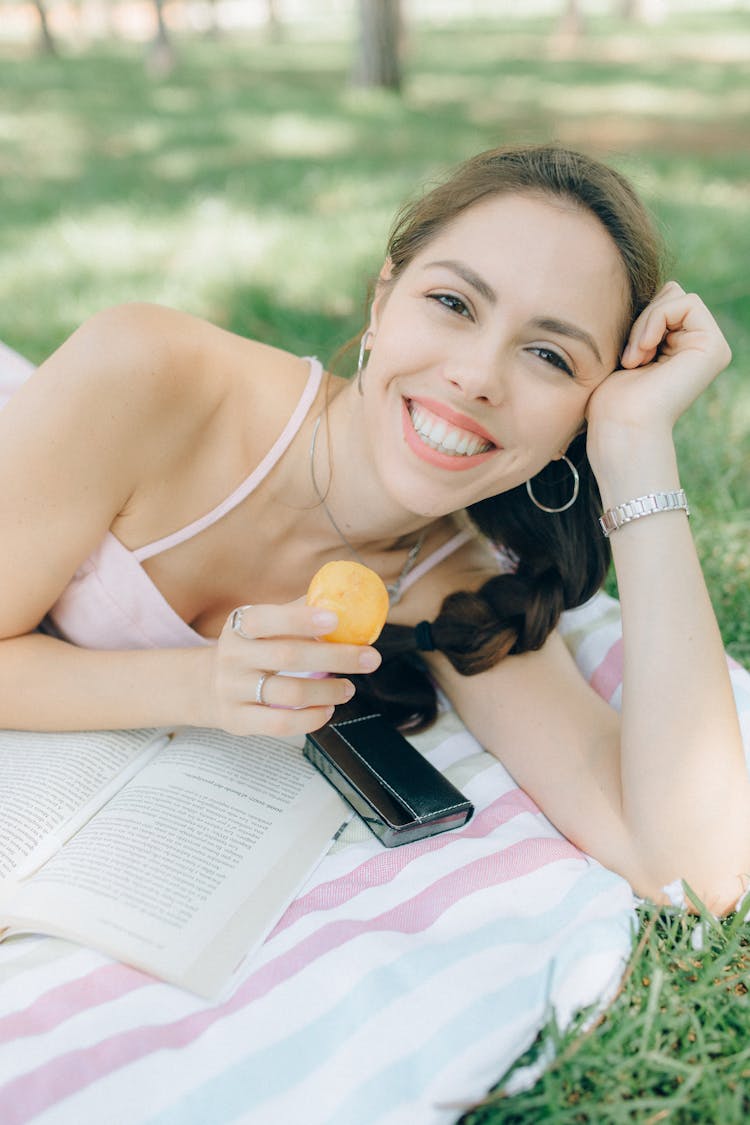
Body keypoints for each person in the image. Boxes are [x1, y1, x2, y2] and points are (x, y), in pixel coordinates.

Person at [1, 144, 747, 911]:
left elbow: (694, 868)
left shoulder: (456, 590)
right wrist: (200, 684)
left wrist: (637, 448)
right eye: (455, 304)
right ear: (383, 298)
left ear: (578, 422)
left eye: (550, 356)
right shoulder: (145, 371)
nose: (477, 376)